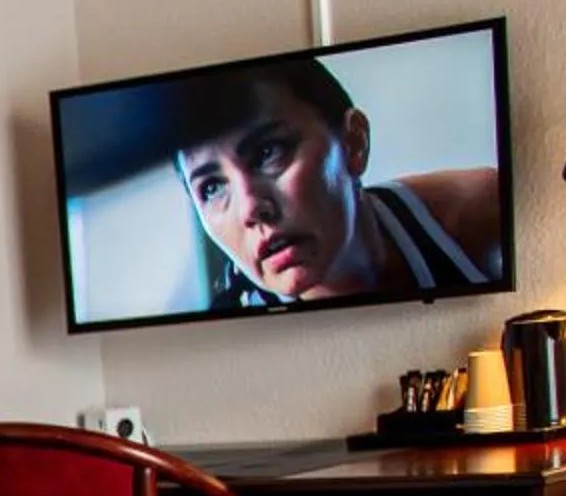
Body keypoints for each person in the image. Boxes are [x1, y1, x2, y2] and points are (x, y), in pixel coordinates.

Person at [161, 54, 504, 310]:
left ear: (354, 142)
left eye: (268, 152)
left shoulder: (477, 213)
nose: (250, 208)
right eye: (211, 188)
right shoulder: (225, 343)